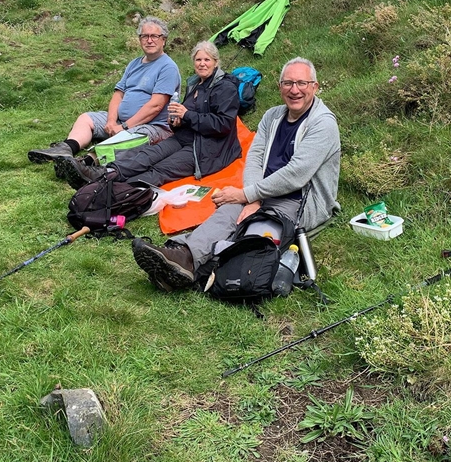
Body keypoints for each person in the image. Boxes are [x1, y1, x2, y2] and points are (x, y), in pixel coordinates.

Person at [131, 57, 340, 292]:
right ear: (279, 86)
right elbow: (254, 158)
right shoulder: (272, 116)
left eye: (302, 83)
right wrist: (252, 197)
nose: (294, 90)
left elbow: (296, 175)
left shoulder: (323, 124)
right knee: (228, 213)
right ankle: (183, 256)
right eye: (288, 83)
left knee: (254, 228)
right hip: (263, 192)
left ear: (315, 86)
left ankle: (192, 272)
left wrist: (249, 196)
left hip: (299, 199)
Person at [53, 40, 241, 188]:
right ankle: (102, 175)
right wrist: (177, 122)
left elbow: (223, 125)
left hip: (208, 148)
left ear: (216, 62)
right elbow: (189, 117)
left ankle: (117, 189)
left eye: (207, 60)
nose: (202, 64)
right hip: (184, 138)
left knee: (162, 167)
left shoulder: (225, 88)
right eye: (198, 60)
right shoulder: (195, 84)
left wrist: (187, 116)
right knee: (147, 155)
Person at [28, 17, 181, 165]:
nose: (149, 40)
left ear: (164, 40)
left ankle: (86, 162)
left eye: (154, 36)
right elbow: (118, 94)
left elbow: (156, 106)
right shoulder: (134, 64)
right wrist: (111, 121)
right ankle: (66, 149)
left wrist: (125, 127)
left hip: (152, 126)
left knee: (132, 137)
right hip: (121, 122)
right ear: (139, 39)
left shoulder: (168, 67)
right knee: (86, 118)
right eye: (145, 36)